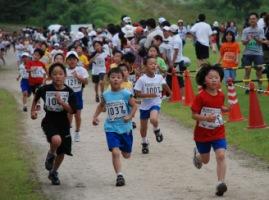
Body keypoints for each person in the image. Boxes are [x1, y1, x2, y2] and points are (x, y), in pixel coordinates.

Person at [31, 63, 77, 185]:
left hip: (64, 123)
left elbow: (72, 110)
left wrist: (61, 102)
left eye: (60, 74)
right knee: (56, 140)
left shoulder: (69, 91)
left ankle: (53, 172)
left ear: (65, 76)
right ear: (50, 76)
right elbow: (36, 97)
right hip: (49, 121)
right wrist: (33, 111)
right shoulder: (45, 89)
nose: (58, 76)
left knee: (62, 152)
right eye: (55, 74)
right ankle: (51, 154)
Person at [92, 67, 137, 187]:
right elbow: (101, 106)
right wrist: (95, 116)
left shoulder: (126, 94)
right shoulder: (106, 94)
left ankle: (123, 148)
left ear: (122, 79)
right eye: (113, 77)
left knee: (126, 155)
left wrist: (130, 115)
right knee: (115, 152)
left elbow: (134, 106)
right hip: (111, 128)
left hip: (125, 128)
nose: (115, 79)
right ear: (108, 79)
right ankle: (119, 176)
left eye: (118, 77)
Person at [191, 64, 228, 196]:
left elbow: (218, 105)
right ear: (204, 79)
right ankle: (198, 157)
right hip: (202, 134)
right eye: (210, 77)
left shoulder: (221, 95)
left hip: (218, 131)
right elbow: (193, 114)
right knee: (205, 160)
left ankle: (220, 183)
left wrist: (223, 108)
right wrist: (205, 117)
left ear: (220, 80)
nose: (213, 80)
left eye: (216, 77)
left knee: (221, 155)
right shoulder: (200, 96)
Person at [134, 56, 172, 154]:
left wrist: (171, 93)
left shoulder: (159, 77)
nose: (153, 65)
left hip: (155, 103)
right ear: (146, 66)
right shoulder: (142, 79)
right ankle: (144, 142)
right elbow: (137, 94)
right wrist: (148, 95)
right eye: (151, 64)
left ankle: (156, 129)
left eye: (155, 64)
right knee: (143, 128)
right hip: (144, 106)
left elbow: (164, 85)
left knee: (153, 119)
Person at [65, 51, 89, 142]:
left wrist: (78, 77)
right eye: (70, 59)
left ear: (77, 60)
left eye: (74, 59)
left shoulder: (81, 70)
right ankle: (67, 132)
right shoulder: (65, 70)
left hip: (77, 94)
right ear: (66, 61)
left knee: (77, 115)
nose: (72, 61)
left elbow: (86, 82)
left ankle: (77, 132)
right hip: (67, 94)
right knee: (68, 114)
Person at [241, 12, 266, 94]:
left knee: (259, 71)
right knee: (247, 70)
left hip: (258, 53)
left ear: (257, 20)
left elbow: (261, 42)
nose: (252, 20)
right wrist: (248, 39)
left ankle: (260, 88)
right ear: (249, 20)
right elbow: (243, 43)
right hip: (247, 53)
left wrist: (255, 38)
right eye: (251, 19)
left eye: (254, 18)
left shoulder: (260, 30)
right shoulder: (245, 30)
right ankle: (246, 88)